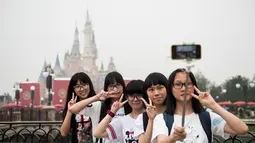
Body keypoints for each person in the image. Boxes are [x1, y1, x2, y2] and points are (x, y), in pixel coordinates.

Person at [153, 68, 249, 143]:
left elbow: (242, 129)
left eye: (188, 84)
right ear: (171, 89)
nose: (183, 89)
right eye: (178, 84)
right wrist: (172, 138)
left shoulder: (207, 117)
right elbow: (161, 141)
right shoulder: (162, 119)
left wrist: (213, 105)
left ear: (194, 87)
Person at [60, 72, 117, 143]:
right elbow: (64, 133)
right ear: (73, 90)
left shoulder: (98, 104)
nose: (82, 89)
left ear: (89, 85)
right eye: (77, 86)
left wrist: (96, 98)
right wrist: (69, 111)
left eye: (84, 85)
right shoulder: (72, 106)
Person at [134, 72, 169, 142]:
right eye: (151, 90)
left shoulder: (176, 113)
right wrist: (151, 119)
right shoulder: (142, 118)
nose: (156, 93)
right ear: (146, 93)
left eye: (160, 88)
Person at [97, 71, 131, 143]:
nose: (115, 89)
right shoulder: (101, 106)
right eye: (111, 86)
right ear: (106, 88)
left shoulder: (130, 105)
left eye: (118, 85)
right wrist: (97, 97)